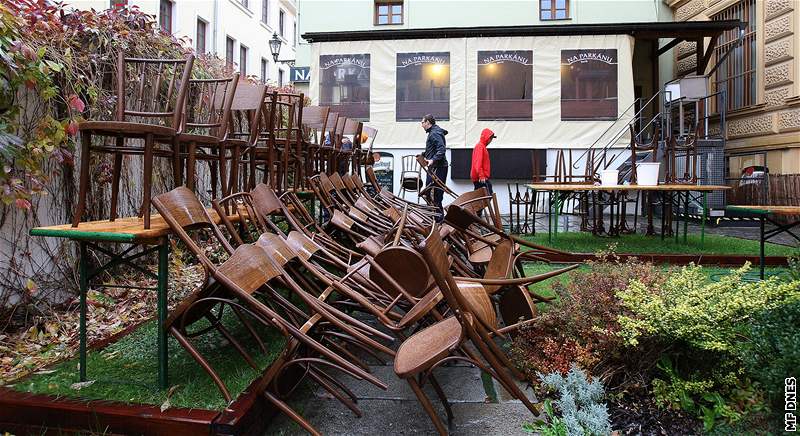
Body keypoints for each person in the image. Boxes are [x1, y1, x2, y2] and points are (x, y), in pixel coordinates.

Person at [420, 114, 448, 221]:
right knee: (432, 193)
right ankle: (436, 218)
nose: (422, 125)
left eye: (422, 122)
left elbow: (441, 149)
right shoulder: (433, 132)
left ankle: (438, 219)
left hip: (438, 167)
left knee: (434, 194)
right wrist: (424, 154)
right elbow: (433, 149)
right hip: (436, 167)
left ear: (428, 122)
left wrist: (432, 160)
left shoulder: (434, 133)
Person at [471, 128, 496, 195]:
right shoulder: (480, 146)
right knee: (487, 195)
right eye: (490, 138)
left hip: (480, 177)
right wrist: (481, 176)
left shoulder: (481, 146)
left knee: (480, 198)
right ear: (486, 138)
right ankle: (475, 205)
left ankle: (476, 205)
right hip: (481, 178)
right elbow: (478, 163)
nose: (490, 141)